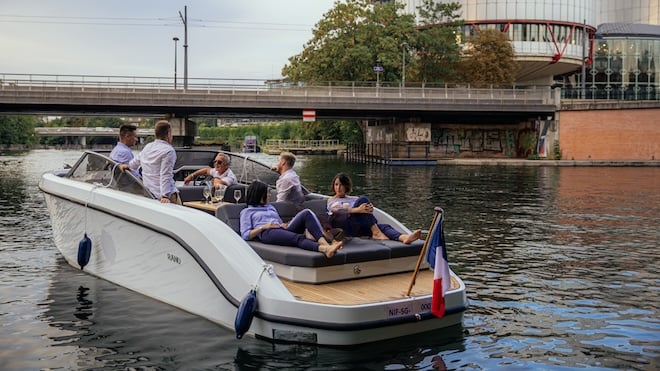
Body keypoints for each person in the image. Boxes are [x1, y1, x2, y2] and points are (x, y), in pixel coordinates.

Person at [240, 181, 343, 258]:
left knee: (306, 213)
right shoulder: (247, 212)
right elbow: (245, 235)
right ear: (259, 195)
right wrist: (263, 227)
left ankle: (326, 244)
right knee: (297, 238)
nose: (269, 195)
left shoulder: (270, 207)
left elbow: (278, 223)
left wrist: (283, 224)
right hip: (267, 232)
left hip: (280, 229)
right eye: (267, 193)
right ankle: (325, 249)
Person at [327, 172, 421, 244]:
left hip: (360, 227)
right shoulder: (331, 201)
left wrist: (369, 209)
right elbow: (336, 212)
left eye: (341, 185)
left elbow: (364, 210)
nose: (338, 188)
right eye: (336, 184)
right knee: (363, 199)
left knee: (385, 227)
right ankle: (376, 232)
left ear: (346, 186)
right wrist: (357, 210)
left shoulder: (354, 198)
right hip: (347, 227)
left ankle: (404, 237)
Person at [120, 120, 180, 204]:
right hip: (165, 196)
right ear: (168, 134)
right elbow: (166, 174)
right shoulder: (169, 151)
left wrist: (127, 166)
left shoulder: (148, 147)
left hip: (149, 193)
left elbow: (134, 163)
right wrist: (165, 195)